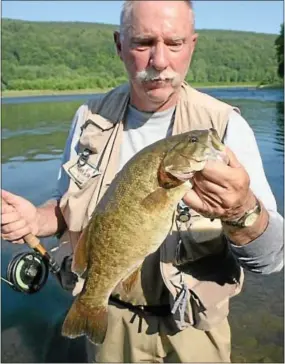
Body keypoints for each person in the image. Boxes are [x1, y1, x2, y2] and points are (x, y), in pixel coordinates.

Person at [1, 0, 283, 362]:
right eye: (143, 43)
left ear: (192, 45)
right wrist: (34, 220)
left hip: (195, 328)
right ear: (119, 44)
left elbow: (271, 260)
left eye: (175, 43)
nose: (160, 61)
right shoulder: (89, 119)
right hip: (112, 318)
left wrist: (243, 210)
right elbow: (64, 206)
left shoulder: (225, 127)